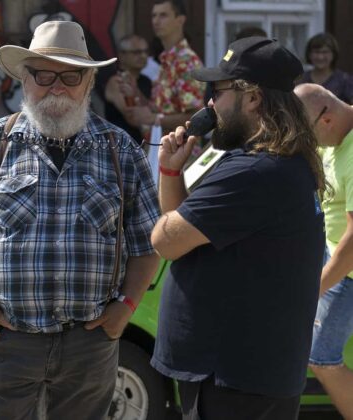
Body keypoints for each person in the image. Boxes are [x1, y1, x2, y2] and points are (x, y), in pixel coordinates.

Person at [0, 21, 160, 419]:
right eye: (43, 74)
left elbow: (147, 245)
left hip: (89, 346)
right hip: (7, 341)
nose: (57, 86)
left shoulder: (121, 151)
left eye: (71, 75)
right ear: (24, 78)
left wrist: (125, 308)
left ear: (89, 81)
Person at [150, 37, 326, 420]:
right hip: (249, 376)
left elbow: (165, 241)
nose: (210, 103)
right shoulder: (278, 164)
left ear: (253, 98)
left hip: (233, 380)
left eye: (218, 91)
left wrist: (168, 177)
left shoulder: (252, 173)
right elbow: (184, 233)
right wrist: (170, 171)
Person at [294, 82, 353, 420]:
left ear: (326, 118)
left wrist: (315, 287)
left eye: (308, 134)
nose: (308, 143)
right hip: (334, 257)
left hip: (347, 269)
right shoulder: (335, 137)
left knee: (322, 357)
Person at [124, 0, 204, 134]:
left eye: (163, 15)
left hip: (182, 151)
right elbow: (160, 110)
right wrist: (135, 91)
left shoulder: (186, 60)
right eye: (154, 15)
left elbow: (196, 116)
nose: (156, 21)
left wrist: (153, 118)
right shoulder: (167, 59)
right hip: (165, 149)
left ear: (180, 20)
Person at [103, 34, 153, 143]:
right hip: (121, 146)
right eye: (137, 52)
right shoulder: (116, 81)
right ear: (121, 55)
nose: (143, 56)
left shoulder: (146, 81)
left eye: (145, 51)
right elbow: (133, 118)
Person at [298, 33, 353, 105]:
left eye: (325, 52)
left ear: (334, 54)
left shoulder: (344, 80)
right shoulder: (300, 80)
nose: (320, 57)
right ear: (309, 54)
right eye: (316, 52)